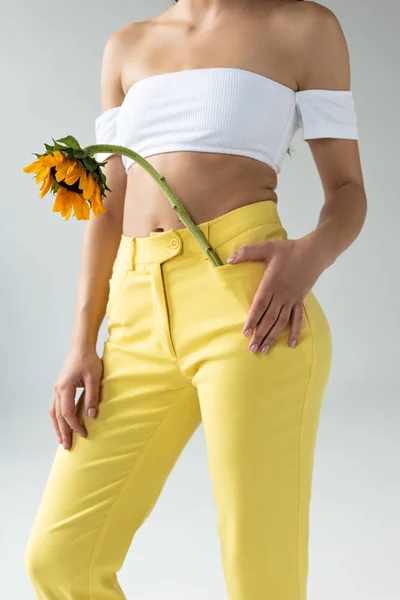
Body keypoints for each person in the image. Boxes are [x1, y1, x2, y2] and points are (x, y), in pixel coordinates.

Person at [24, 0, 367, 598]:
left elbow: (348, 190)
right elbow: (106, 204)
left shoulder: (303, 27)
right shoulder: (126, 45)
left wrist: (310, 257)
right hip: (134, 315)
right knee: (59, 561)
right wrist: (81, 342)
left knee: (259, 571)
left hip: (251, 301)